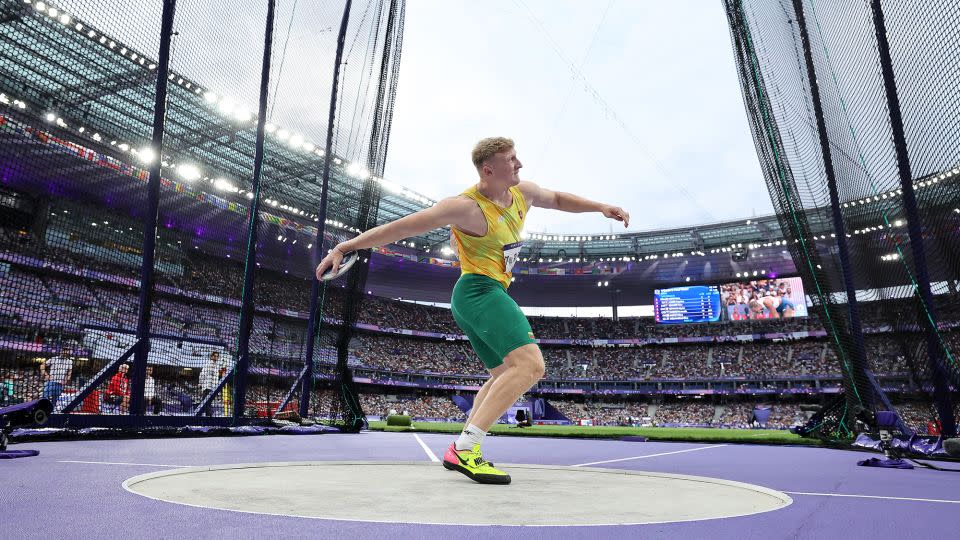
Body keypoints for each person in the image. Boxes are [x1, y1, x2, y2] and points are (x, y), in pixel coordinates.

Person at [315, 137, 628, 484]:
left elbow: (556, 199)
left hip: (478, 294)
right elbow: (402, 227)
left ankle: (462, 446)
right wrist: (346, 246)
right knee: (530, 365)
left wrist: (601, 207)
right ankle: (466, 449)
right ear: (488, 169)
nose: (519, 164)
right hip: (479, 290)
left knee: (502, 374)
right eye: (511, 160)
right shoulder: (466, 207)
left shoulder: (523, 192)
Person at [198, 351, 221, 416]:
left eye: (217, 356)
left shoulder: (216, 366)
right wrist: (200, 383)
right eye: (215, 356)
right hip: (207, 386)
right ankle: (206, 415)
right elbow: (202, 374)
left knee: (208, 402)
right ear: (211, 356)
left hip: (213, 387)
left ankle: (207, 415)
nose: (216, 357)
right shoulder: (208, 364)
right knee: (206, 402)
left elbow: (216, 378)